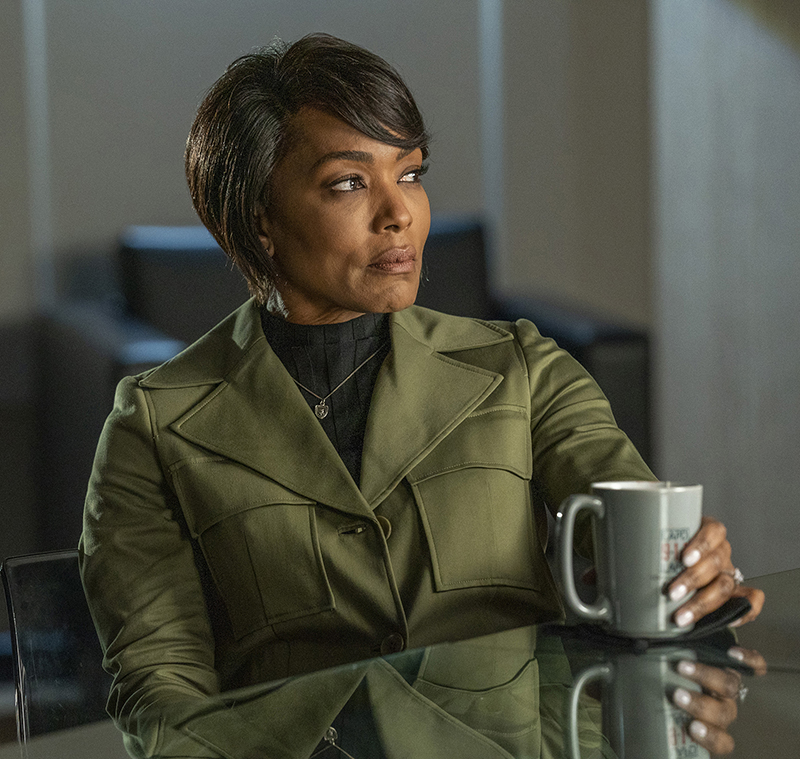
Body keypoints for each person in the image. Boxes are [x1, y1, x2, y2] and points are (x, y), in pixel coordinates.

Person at [79, 33, 764, 757]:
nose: (398, 213)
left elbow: (629, 521)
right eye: (349, 183)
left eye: (410, 174)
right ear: (260, 221)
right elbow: (162, 690)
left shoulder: (521, 367)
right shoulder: (154, 425)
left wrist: (691, 571)